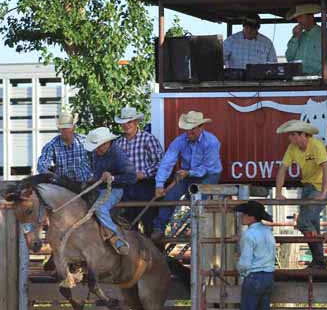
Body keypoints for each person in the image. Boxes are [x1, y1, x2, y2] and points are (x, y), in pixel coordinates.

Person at [150, 111, 222, 243]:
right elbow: (167, 162)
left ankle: (200, 228)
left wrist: (188, 173)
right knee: (170, 196)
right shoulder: (179, 141)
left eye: (192, 129)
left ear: (201, 127)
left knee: (200, 198)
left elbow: (207, 167)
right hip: (188, 174)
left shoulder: (211, 142)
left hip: (209, 174)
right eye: (187, 129)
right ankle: (159, 228)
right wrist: (159, 184)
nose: (189, 132)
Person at [275, 119, 327, 270]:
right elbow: (282, 168)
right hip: (307, 187)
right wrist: (278, 192)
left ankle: (319, 259)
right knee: (312, 224)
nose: (290, 138)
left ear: (303, 135)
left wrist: (324, 192)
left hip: (318, 188)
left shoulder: (317, 145)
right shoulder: (292, 147)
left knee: (303, 222)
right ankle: (319, 261)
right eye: (290, 135)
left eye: (293, 135)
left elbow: (326, 166)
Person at [233, 200, 276, 310]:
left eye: (244, 214)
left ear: (251, 217)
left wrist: (239, 266)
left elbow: (244, 263)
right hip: (268, 276)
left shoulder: (249, 235)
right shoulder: (268, 231)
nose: (242, 217)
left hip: (254, 277)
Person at [83, 127, 137, 256]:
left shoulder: (118, 155)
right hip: (99, 188)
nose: (97, 149)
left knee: (100, 208)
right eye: (96, 146)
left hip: (115, 190)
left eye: (99, 146)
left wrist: (112, 178)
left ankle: (117, 239)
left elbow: (132, 177)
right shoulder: (97, 153)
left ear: (107, 143)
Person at [114, 106, 164, 236]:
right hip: (126, 188)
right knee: (127, 225)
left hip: (145, 186)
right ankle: (133, 255)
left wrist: (144, 173)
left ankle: (156, 254)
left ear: (136, 122)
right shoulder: (118, 143)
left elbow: (160, 163)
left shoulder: (148, 139)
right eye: (123, 123)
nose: (126, 125)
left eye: (129, 122)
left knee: (149, 224)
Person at [285, 3, 327, 80]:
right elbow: (289, 58)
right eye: (297, 18)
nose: (298, 21)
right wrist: (295, 37)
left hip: (319, 82)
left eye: (300, 17)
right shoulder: (298, 36)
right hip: (298, 80)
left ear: (310, 17)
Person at [37, 111, 92, 183]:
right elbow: (41, 165)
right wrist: (51, 175)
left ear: (74, 127)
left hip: (85, 184)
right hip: (63, 186)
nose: (65, 131)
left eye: (68, 127)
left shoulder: (85, 141)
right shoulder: (52, 145)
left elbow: (97, 157)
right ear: (59, 130)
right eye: (63, 128)